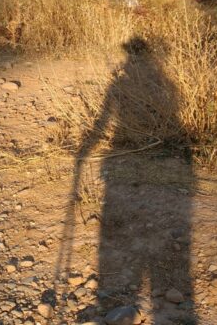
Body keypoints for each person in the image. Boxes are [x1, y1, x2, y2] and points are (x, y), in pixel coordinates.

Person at [59, 36, 196, 324]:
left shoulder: (124, 83)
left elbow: (102, 121)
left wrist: (85, 150)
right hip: (144, 161)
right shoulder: (163, 82)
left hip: (127, 159)